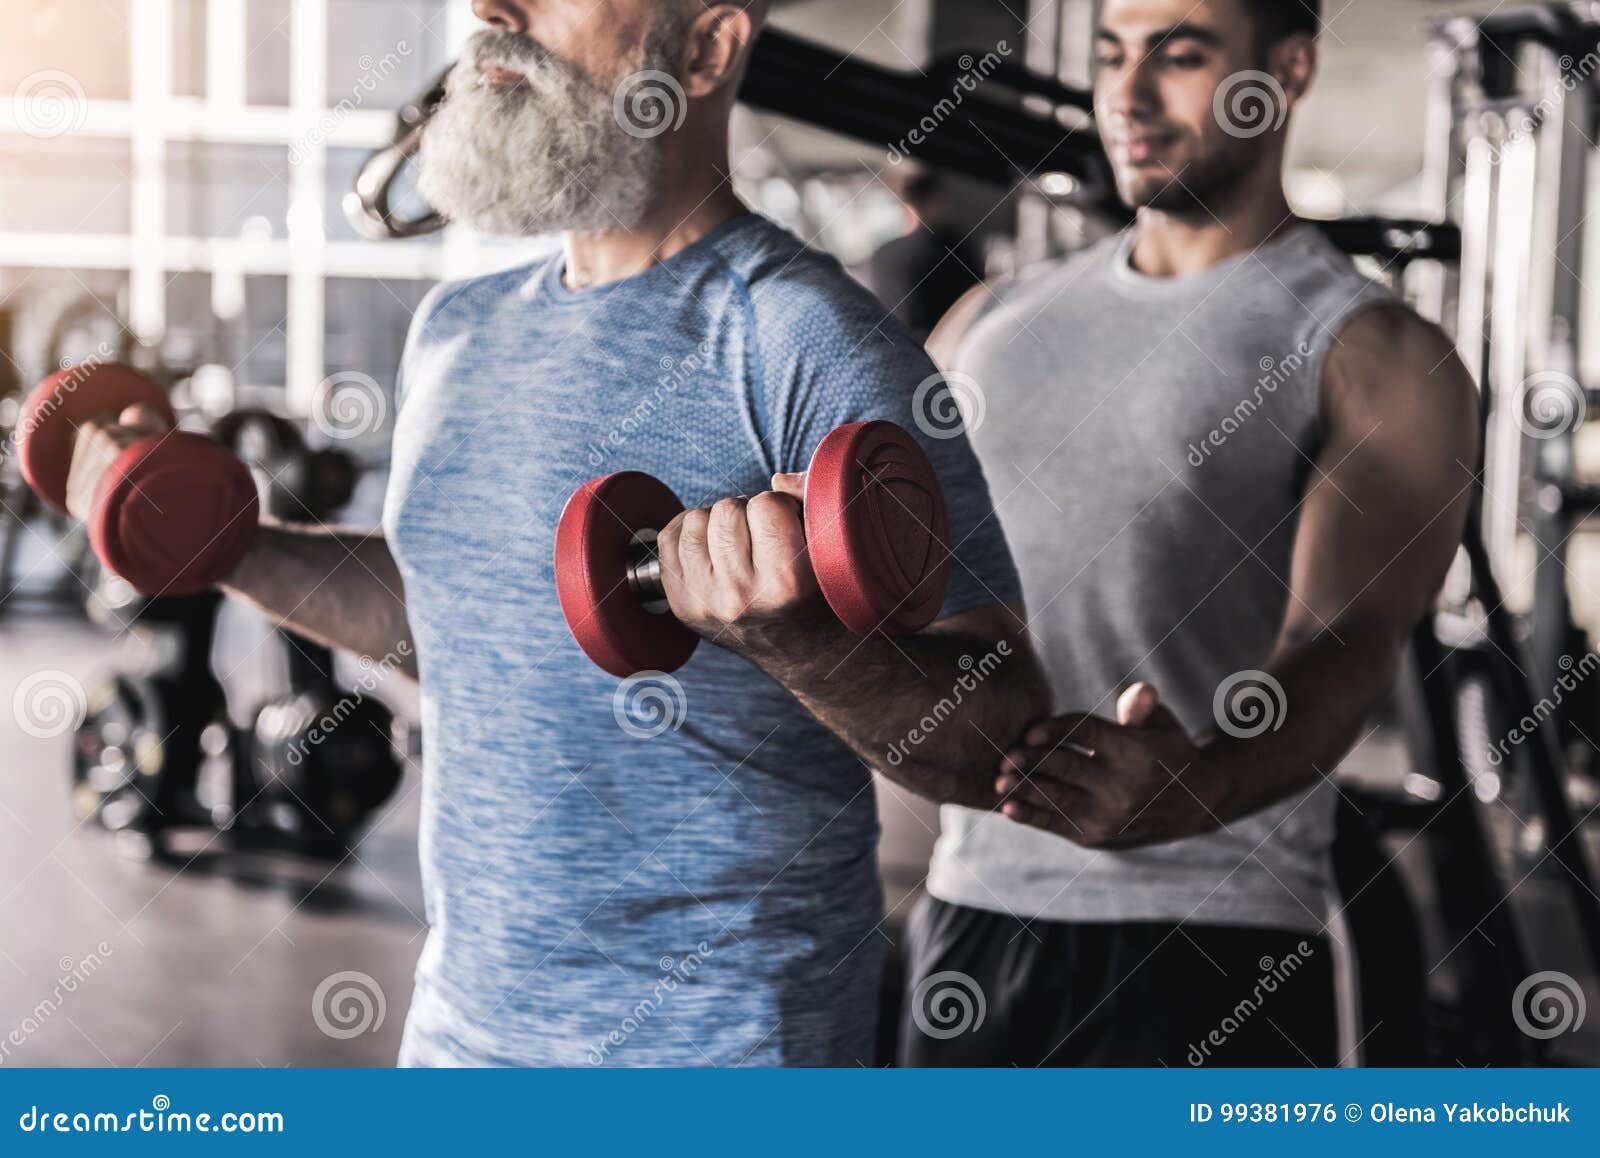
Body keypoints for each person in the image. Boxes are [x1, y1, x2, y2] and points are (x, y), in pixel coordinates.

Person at [65, 0, 1047, 1067]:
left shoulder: (803, 337)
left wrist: (799, 641)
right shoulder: (459, 330)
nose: (493, 10)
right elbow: (450, 615)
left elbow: (996, 729)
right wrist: (230, 549)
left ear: (707, 48)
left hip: (716, 1053)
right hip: (462, 1038)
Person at [901, 0, 1478, 1067]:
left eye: (1179, 54)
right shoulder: (987, 326)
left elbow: (1346, 643)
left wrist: (1188, 790)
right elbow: (906, 596)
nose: (1126, 95)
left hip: (1216, 932)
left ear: (1288, 68)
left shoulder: (1372, 349)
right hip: (973, 917)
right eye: (1114, 55)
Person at [867, 169, 985, 341]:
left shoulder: (884, 256)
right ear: (937, 201)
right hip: (959, 345)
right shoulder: (957, 245)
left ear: (904, 206)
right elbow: (977, 298)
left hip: (910, 352)